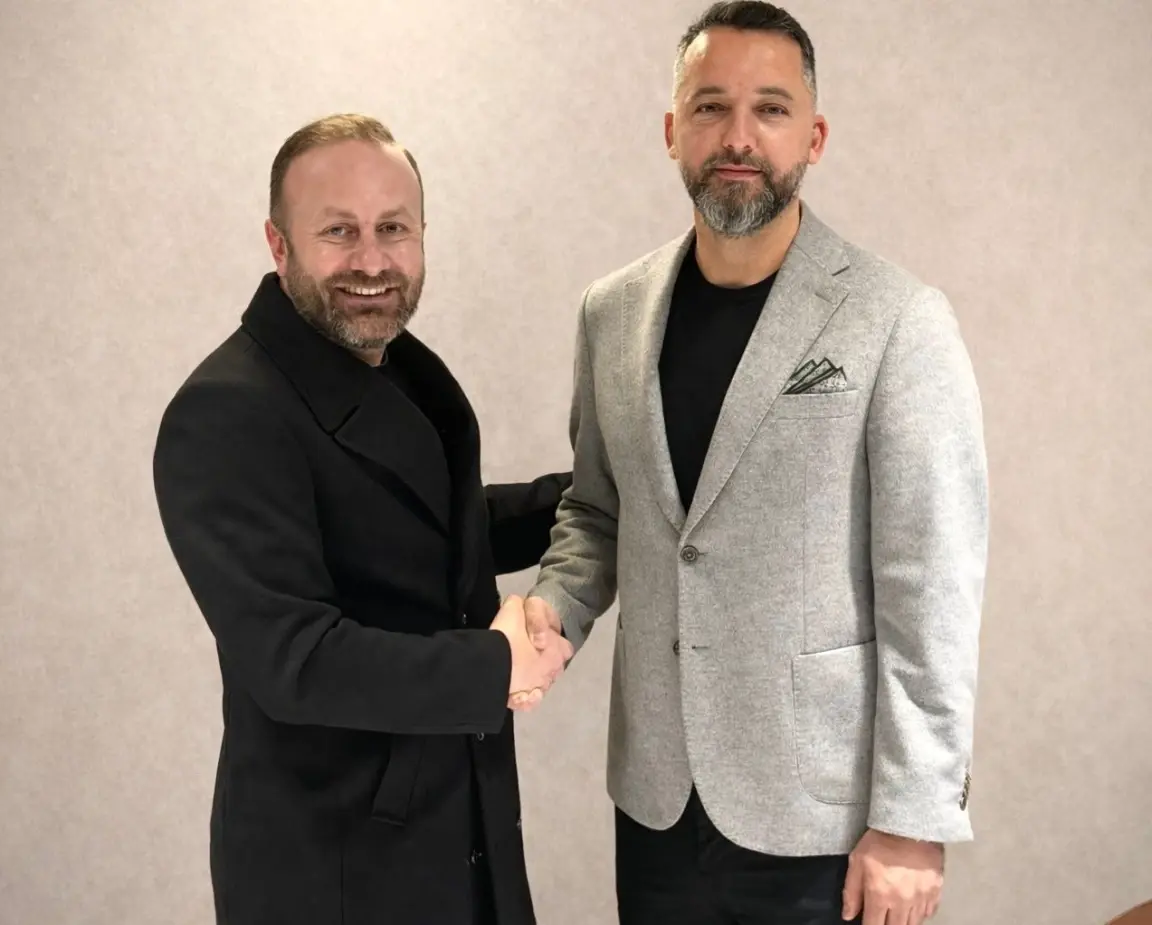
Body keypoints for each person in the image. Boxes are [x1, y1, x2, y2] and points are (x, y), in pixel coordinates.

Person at [519, 3, 989, 924]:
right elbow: (598, 511)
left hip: (823, 814)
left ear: (814, 136)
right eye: (711, 106)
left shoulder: (898, 319)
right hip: (656, 797)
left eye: (771, 109)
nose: (738, 136)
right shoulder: (610, 312)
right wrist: (551, 615)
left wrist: (913, 817)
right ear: (672, 131)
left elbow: (932, 580)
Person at [152, 113, 574, 925]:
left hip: (455, 833)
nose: (373, 261)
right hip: (336, 870)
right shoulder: (225, 411)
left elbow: (423, 533)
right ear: (279, 245)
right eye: (339, 231)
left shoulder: (390, 367)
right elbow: (296, 657)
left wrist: (591, 499)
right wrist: (495, 666)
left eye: (393, 228)